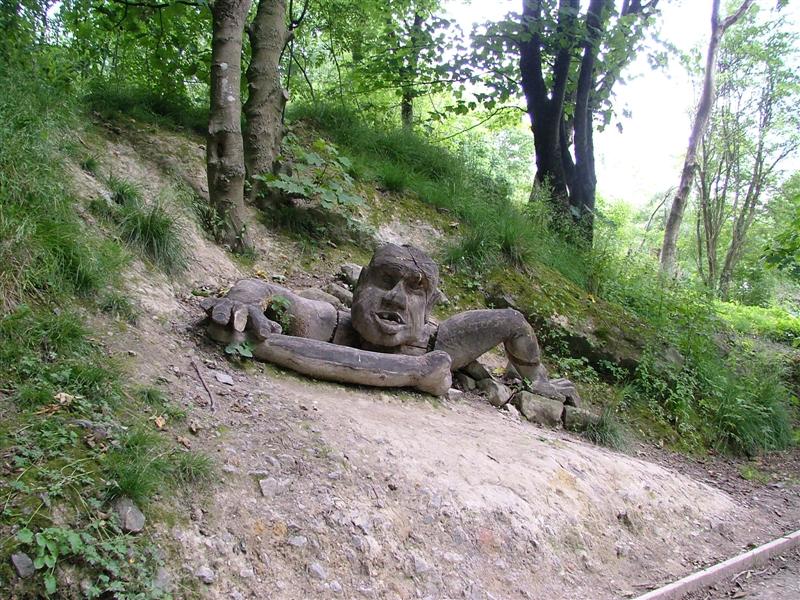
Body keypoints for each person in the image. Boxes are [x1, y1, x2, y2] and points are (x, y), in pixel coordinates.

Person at [201, 243, 577, 401]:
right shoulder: (329, 322)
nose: (396, 297)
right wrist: (243, 302)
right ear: (361, 283)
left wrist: (537, 379)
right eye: (384, 281)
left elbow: (513, 322)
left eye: (414, 290)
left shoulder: (444, 341)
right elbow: (263, 287)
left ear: (428, 307)